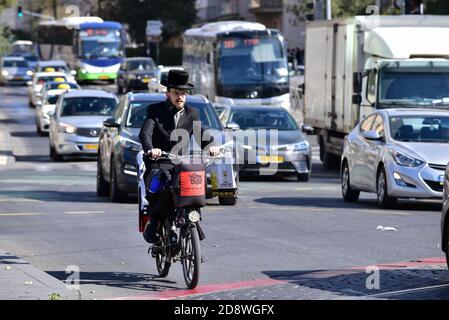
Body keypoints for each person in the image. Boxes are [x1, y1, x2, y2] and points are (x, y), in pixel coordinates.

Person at [138, 69, 220, 243]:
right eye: (176, 93)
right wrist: (151, 149)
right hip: (159, 162)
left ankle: (193, 231)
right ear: (168, 93)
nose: (180, 97)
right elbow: (145, 134)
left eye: (183, 93)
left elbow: (201, 135)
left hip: (181, 164)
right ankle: (155, 221)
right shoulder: (155, 111)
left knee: (195, 187)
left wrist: (212, 147)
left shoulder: (192, 114)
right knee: (166, 187)